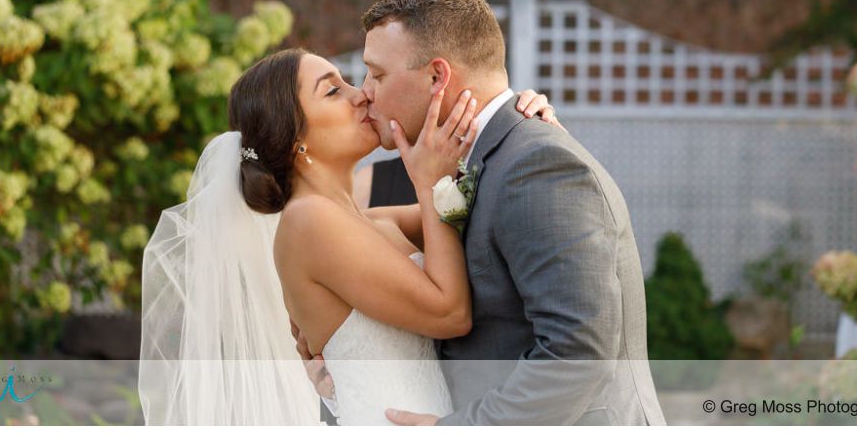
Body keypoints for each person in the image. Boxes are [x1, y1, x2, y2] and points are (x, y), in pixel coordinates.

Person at [300, 0, 665, 425]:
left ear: (437, 77)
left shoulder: (538, 165)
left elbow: (578, 352)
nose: (366, 92)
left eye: (377, 74)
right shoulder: (476, 166)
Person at [139, 43, 559, 425]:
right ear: (295, 141)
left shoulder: (376, 223)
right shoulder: (308, 222)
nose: (360, 93)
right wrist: (431, 184)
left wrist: (519, 130)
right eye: (332, 91)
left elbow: (486, 204)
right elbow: (450, 313)